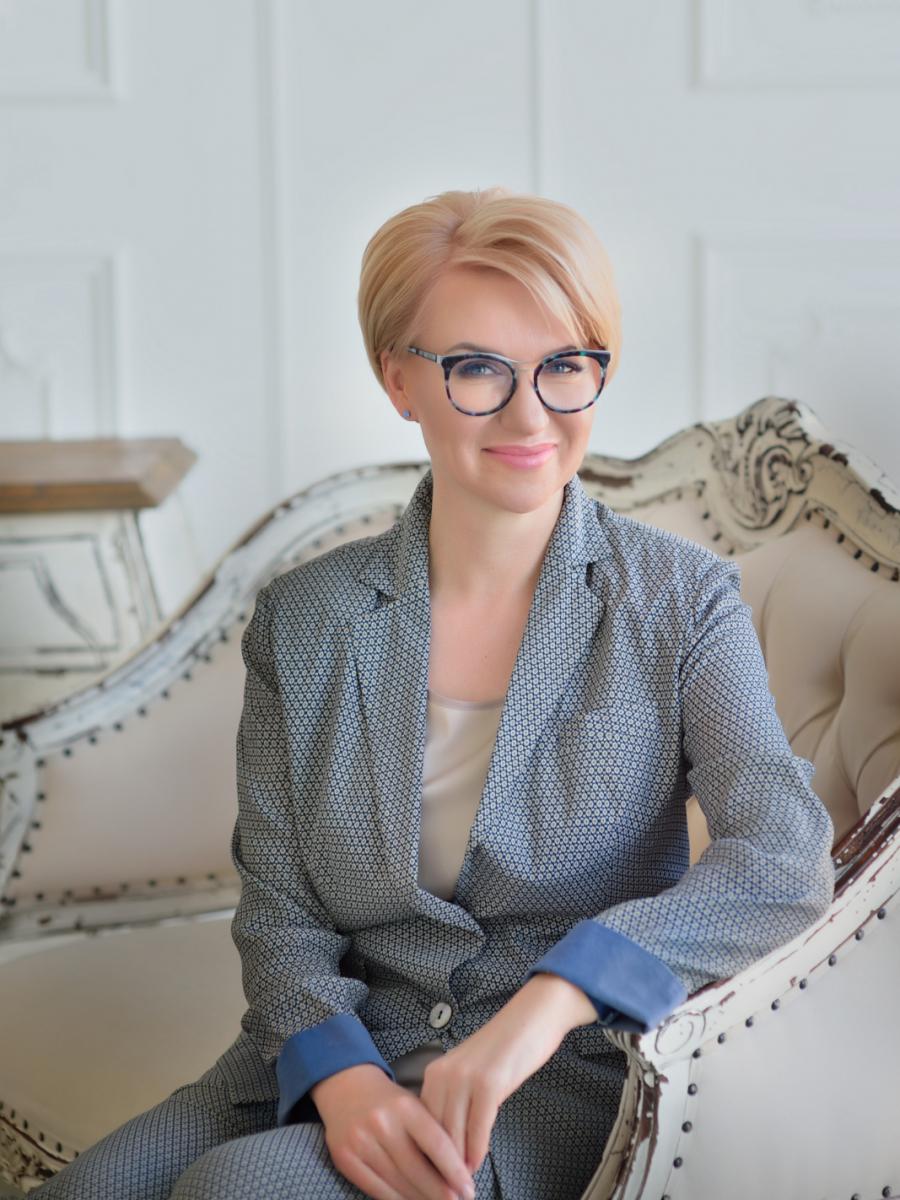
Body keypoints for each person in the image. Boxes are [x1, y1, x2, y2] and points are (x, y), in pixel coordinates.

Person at [32, 185, 836, 1200]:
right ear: (399, 380)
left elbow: (782, 854)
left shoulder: (682, 600)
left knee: (238, 1191)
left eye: (565, 366)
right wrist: (342, 1078)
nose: (530, 414)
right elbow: (279, 907)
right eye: (477, 369)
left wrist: (556, 998)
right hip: (332, 1048)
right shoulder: (304, 619)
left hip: (556, 1080)